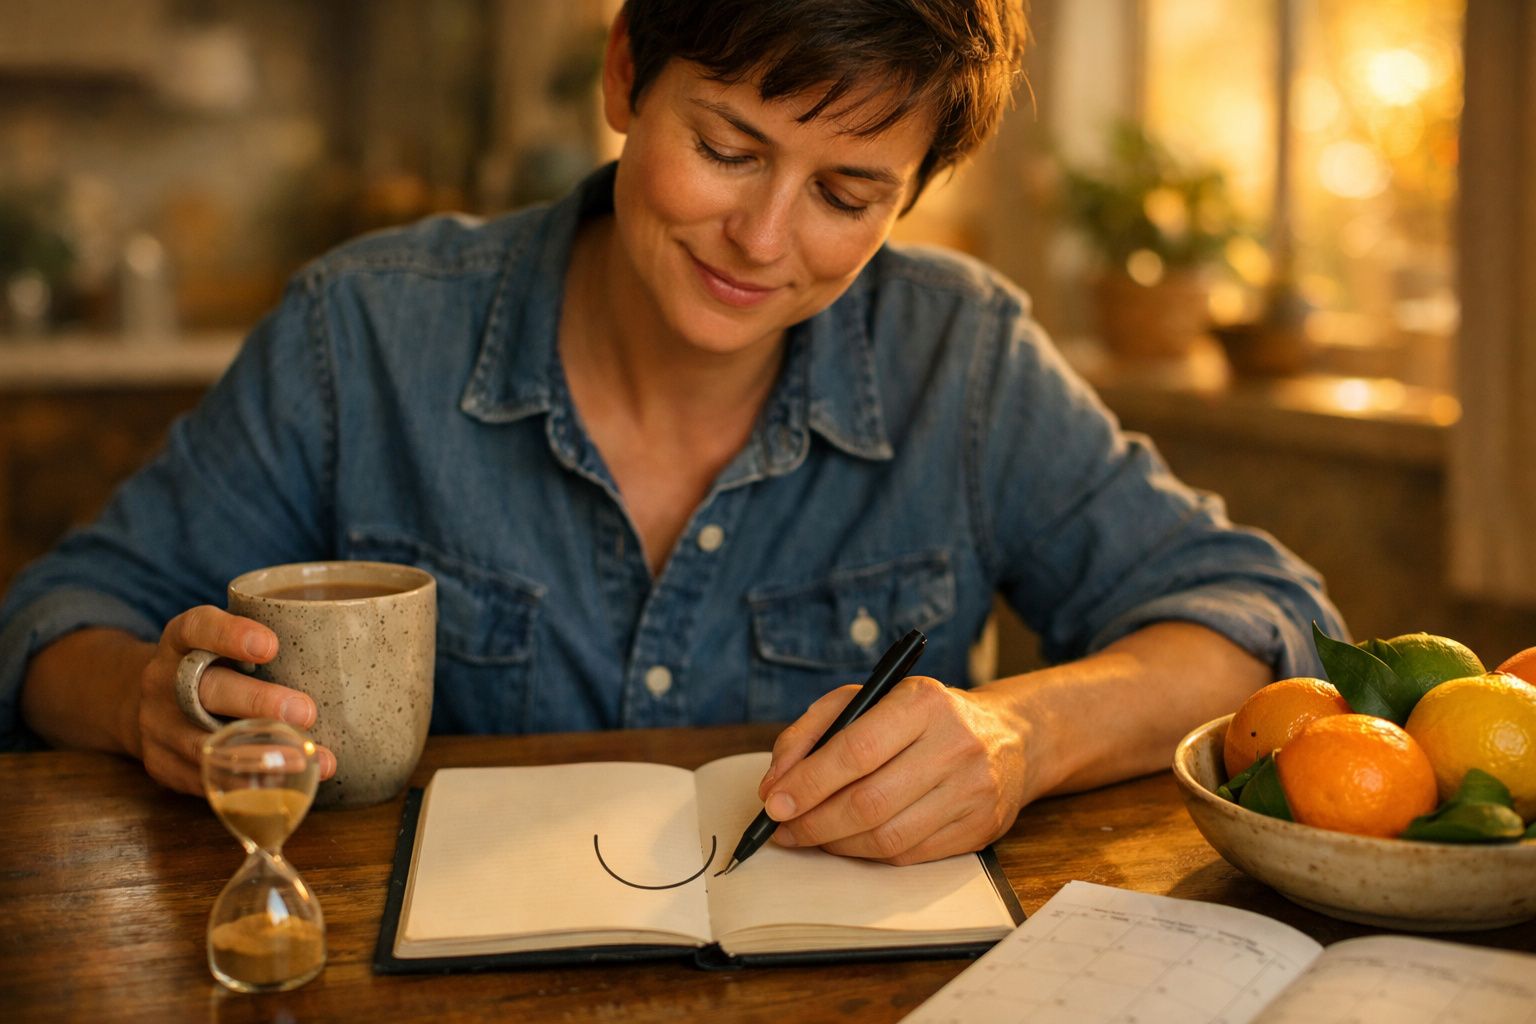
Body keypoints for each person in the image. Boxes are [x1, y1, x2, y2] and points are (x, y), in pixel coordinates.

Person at [0, 0, 1343, 865]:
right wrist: (146, 702)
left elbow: (1266, 620)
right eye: (729, 147)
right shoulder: (363, 335)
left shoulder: (963, 356)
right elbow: (56, 622)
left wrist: (1021, 735)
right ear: (626, 73)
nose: (762, 239)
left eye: (847, 194)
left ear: (911, 198)